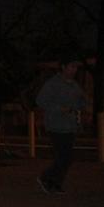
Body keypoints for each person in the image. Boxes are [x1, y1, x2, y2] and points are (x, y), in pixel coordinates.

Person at [36, 56, 87, 194]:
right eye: (71, 66)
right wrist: (59, 108)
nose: (74, 70)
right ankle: (46, 178)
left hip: (70, 126)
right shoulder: (52, 84)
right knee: (62, 157)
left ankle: (56, 183)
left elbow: (79, 104)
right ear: (63, 67)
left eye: (76, 67)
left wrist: (81, 104)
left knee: (68, 158)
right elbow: (40, 101)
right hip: (56, 125)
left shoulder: (74, 85)